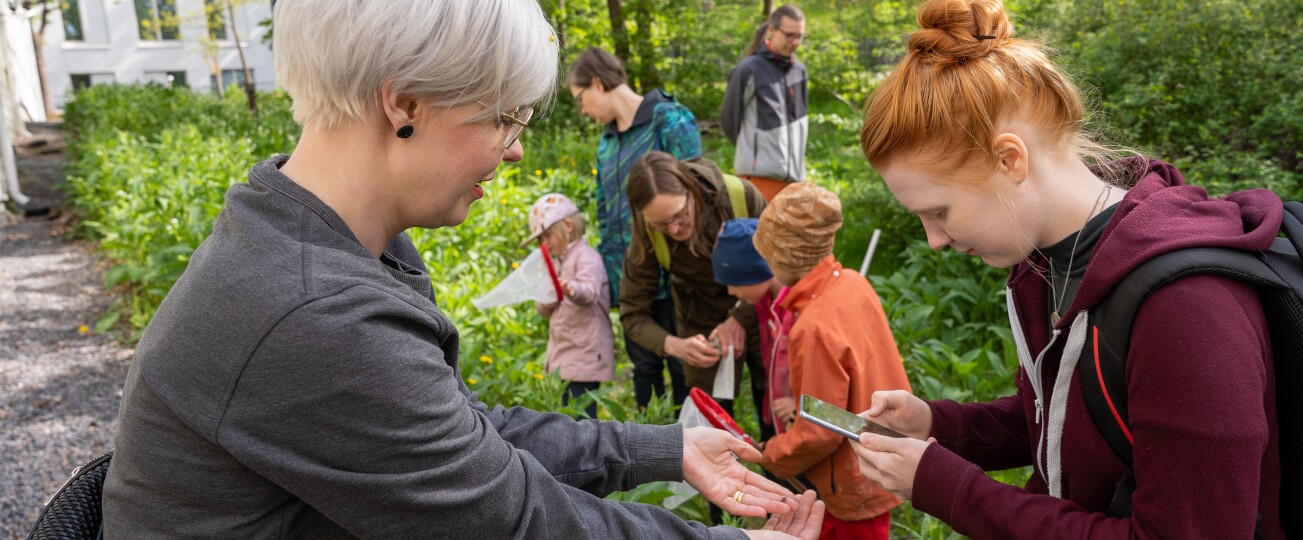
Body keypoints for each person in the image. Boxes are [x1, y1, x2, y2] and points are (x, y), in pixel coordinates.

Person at [100, 2, 825, 538]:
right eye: (505, 117)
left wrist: (662, 448)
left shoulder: (318, 242)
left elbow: (459, 437)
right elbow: (508, 520)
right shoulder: (314, 310)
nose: (514, 150)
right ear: (405, 101)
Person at [848, 0, 1285, 538]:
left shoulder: (1186, 307)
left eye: (938, 211)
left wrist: (953, 489)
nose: (934, 240)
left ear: (1010, 158)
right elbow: (1070, 426)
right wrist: (942, 426)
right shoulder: (1047, 264)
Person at [751, 183, 912, 539]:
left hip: (854, 477)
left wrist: (770, 453)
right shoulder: (853, 283)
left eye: (768, 255)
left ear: (786, 256)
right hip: (882, 452)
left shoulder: (812, 326)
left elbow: (820, 431)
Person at [568, 46, 700, 412]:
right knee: (644, 368)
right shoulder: (608, 143)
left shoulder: (668, 119)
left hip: (676, 274)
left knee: (682, 366)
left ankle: (690, 456)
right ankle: (652, 453)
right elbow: (605, 213)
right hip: (631, 279)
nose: (583, 110)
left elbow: (697, 193)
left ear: (598, 82)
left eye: (581, 98)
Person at [619, 152, 770, 426]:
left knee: (775, 400)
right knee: (710, 420)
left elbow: (780, 265)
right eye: (661, 224)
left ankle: (777, 465)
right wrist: (675, 346)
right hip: (698, 318)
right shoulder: (647, 233)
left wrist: (739, 318)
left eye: (680, 215)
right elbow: (632, 313)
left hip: (760, 308)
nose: (674, 229)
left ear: (690, 189)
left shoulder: (740, 196)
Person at [525, 193, 612, 419]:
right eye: (539, 239)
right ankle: (575, 452)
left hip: (584, 355)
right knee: (567, 415)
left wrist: (572, 289)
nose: (544, 244)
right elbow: (543, 309)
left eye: (547, 236)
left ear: (569, 226)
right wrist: (548, 299)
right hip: (563, 355)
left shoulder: (587, 257)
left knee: (582, 416)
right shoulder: (555, 262)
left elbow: (590, 293)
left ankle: (589, 454)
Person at [711, 218, 796, 438]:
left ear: (756, 271)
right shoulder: (766, 300)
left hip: (800, 415)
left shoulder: (796, 309)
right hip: (777, 408)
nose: (731, 292)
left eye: (734, 284)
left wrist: (799, 404)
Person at [720, 5, 809, 201]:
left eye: (800, 36)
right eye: (789, 35)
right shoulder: (747, 70)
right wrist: (754, 153)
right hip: (757, 183)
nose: (795, 42)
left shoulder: (800, 72)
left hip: (794, 185)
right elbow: (728, 123)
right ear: (772, 31)